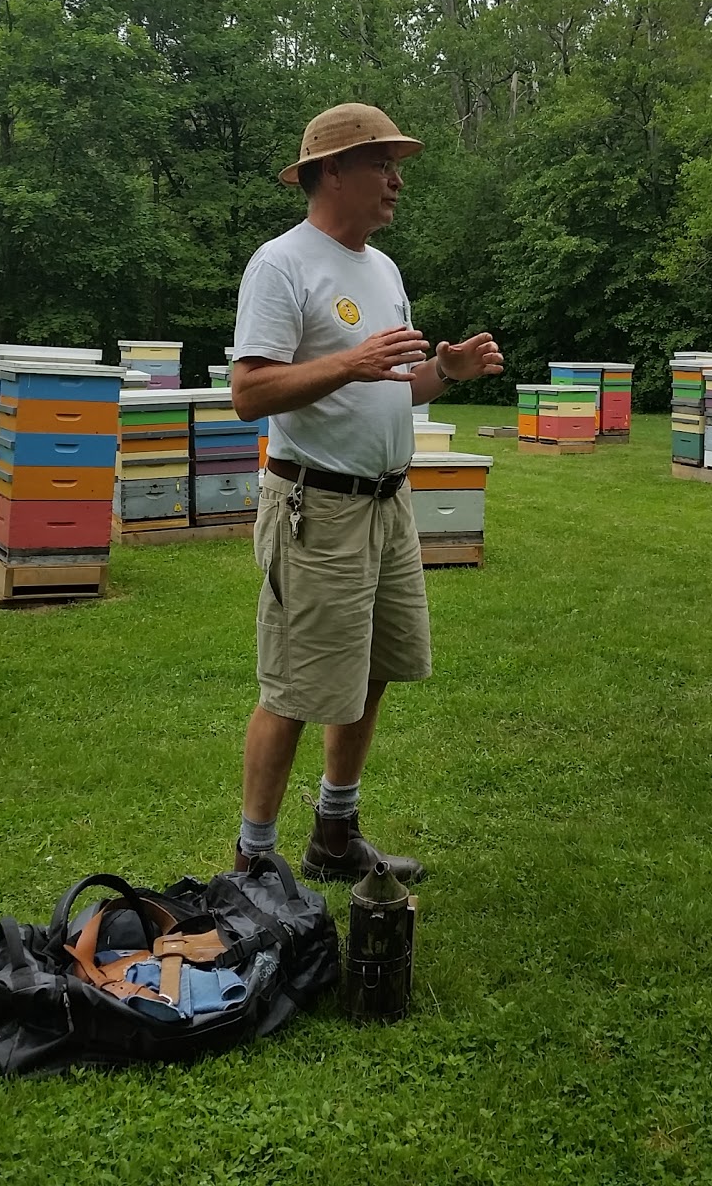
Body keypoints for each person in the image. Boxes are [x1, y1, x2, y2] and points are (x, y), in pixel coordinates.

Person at [230, 102, 503, 883]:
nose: (396, 180)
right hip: (315, 509)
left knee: (371, 672)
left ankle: (335, 834)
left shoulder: (383, 270)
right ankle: (252, 862)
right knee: (293, 686)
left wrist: (441, 373)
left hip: (389, 505)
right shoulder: (281, 264)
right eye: (382, 164)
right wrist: (350, 363)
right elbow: (249, 394)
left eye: (398, 165)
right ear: (331, 173)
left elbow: (394, 386)